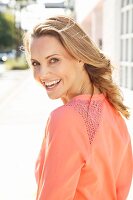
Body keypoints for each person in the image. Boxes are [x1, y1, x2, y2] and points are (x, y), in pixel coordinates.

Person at [23, 15, 133, 200]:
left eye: (54, 60)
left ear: (80, 57)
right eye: (36, 63)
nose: (42, 74)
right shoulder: (113, 111)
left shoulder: (66, 119)